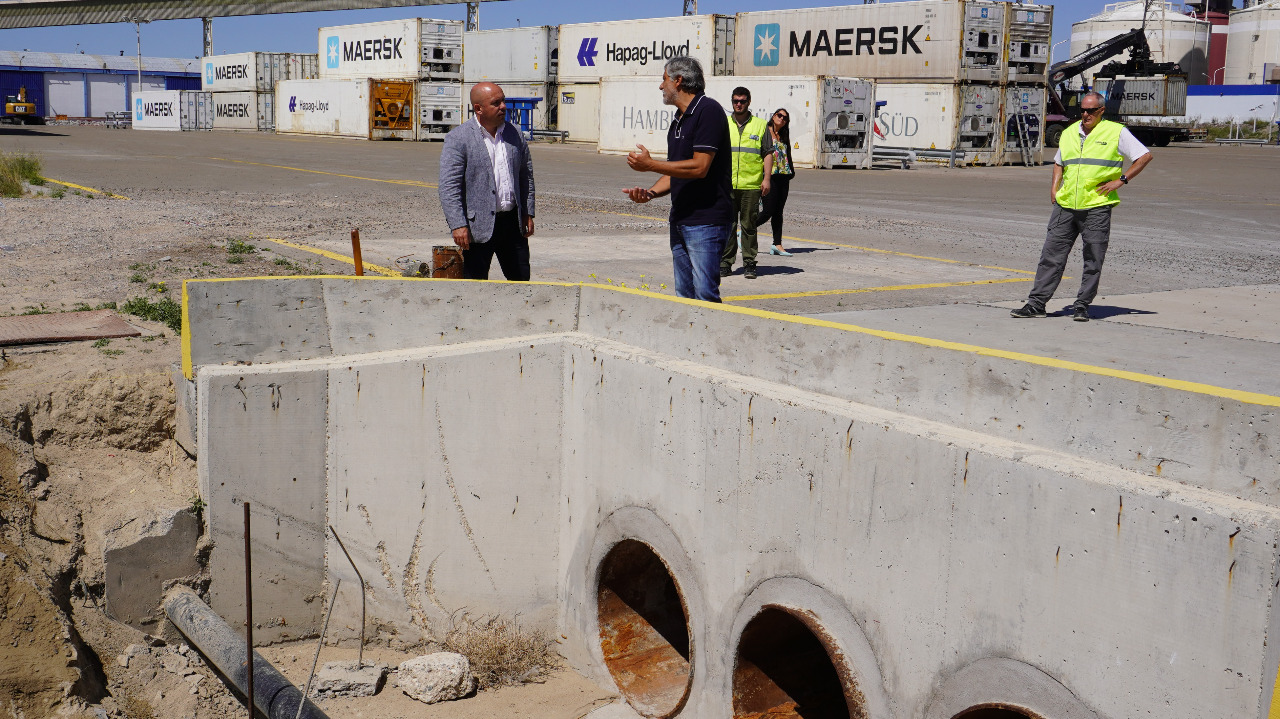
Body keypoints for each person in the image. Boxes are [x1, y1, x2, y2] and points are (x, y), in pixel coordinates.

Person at [1011, 91, 1152, 322]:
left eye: (1090, 111)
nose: (1085, 114)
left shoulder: (1116, 132)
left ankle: (1082, 305)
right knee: (1051, 256)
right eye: (1082, 110)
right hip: (1065, 205)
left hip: (1096, 206)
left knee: (1093, 258)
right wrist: (1054, 188)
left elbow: (1144, 156)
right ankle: (1036, 304)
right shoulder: (1068, 132)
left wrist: (1122, 180)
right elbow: (1059, 162)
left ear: (1101, 111)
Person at [622, 57, 733, 302]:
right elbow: (676, 172)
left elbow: (700, 167)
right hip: (681, 219)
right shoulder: (678, 120)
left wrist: (650, 164)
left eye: (664, 79)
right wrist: (649, 193)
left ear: (678, 80)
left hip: (706, 222)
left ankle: (708, 340)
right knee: (683, 296)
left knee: (705, 294)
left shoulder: (708, 110)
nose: (661, 86)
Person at [438, 81, 536, 281]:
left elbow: (526, 175)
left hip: (512, 225)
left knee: (521, 283)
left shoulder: (514, 133)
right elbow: (449, 187)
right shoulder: (459, 138)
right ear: (478, 109)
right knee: (475, 286)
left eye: (503, 101)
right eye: (496, 103)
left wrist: (527, 212)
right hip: (476, 228)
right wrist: (458, 224)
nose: (503, 107)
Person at [719, 87, 773, 280]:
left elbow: (768, 153)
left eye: (742, 101)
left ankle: (749, 263)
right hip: (727, 185)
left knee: (749, 225)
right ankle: (725, 263)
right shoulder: (724, 124)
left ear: (749, 101)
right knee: (728, 225)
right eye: (735, 101)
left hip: (751, 185)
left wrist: (766, 179)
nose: (738, 104)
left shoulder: (760, 126)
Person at [755, 107, 796, 257]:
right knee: (768, 211)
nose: (782, 119)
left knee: (778, 212)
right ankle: (746, 230)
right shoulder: (765, 131)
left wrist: (791, 172)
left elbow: (788, 154)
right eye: (780, 115)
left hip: (783, 176)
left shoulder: (784, 135)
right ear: (773, 116)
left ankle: (777, 244)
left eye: (785, 118)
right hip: (769, 176)